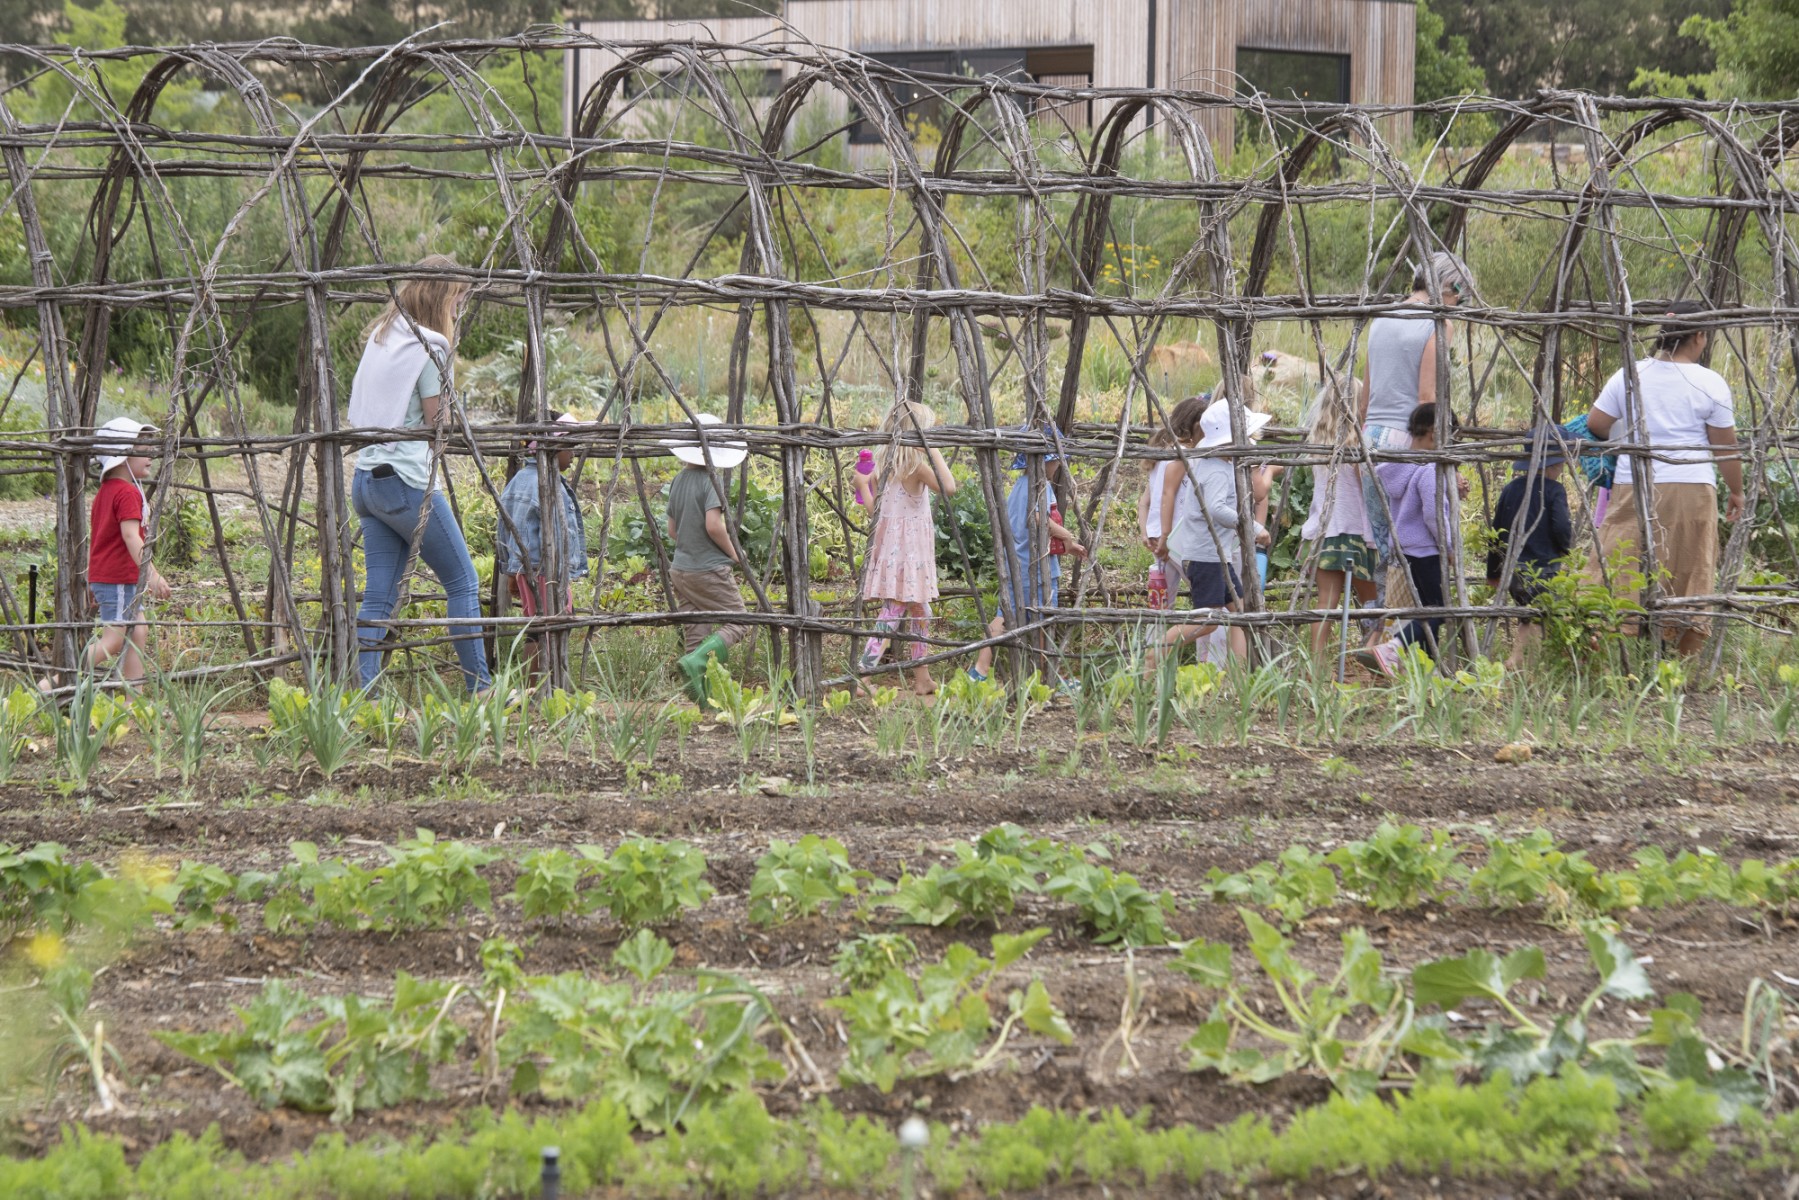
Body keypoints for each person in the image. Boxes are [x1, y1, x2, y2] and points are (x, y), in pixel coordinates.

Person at [347, 255, 490, 695]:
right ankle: (480, 687)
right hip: (405, 485)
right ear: (441, 295)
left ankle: (362, 693)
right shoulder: (429, 345)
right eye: (457, 299)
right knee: (463, 580)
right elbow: (438, 419)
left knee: (378, 597)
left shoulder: (384, 336)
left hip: (367, 481)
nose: (458, 309)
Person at [1582, 303, 1743, 656]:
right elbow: (1726, 447)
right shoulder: (1710, 382)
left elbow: (1596, 424)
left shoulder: (1630, 374)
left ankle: (1607, 650)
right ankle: (1682, 665)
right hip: (1692, 487)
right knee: (1691, 567)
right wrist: (1737, 491)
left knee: (1619, 560)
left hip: (1634, 484)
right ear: (1698, 336)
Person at [1360, 251, 1474, 564]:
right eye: (1459, 297)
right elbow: (1427, 400)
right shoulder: (1437, 323)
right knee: (1413, 547)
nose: (1456, 306)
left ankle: (1383, 611)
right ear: (1449, 286)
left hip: (1371, 438)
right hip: (1408, 440)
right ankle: (1414, 613)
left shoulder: (1382, 318)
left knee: (1382, 546)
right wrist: (1443, 457)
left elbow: (1365, 395)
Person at [1153, 397, 1273, 662]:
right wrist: (1252, 527)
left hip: (1218, 557)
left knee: (1239, 613)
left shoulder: (1220, 464)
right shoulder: (1216, 470)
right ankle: (1157, 649)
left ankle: (1237, 676)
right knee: (1209, 621)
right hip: (1206, 558)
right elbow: (1217, 509)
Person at [1356, 403, 1469, 675]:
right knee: (1437, 611)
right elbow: (1433, 514)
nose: (1451, 443)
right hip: (1427, 551)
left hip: (1405, 551)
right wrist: (1449, 546)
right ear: (1434, 433)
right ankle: (1392, 647)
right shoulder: (1429, 469)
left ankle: (1426, 669)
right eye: (1449, 436)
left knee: (1422, 610)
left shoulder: (1401, 467)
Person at [856, 400, 956, 696]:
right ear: (917, 435)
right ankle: (864, 675)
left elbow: (875, 512)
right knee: (893, 610)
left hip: (894, 550)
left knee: (919, 610)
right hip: (909, 553)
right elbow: (949, 487)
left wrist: (863, 487)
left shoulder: (886, 465)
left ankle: (922, 676)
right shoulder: (915, 466)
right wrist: (933, 447)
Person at [969, 439, 1086, 684]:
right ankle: (1045, 676)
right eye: (1055, 459)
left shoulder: (1020, 485)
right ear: (1047, 461)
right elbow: (1037, 518)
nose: (1058, 464)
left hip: (1018, 563)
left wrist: (1068, 546)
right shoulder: (1039, 485)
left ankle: (980, 669)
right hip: (1034, 567)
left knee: (1005, 615)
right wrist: (1066, 535)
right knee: (1043, 620)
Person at [664, 412, 752, 703]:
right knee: (739, 621)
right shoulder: (708, 482)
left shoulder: (678, 480)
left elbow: (672, 531)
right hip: (708, 570)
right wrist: (735, 554)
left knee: (697, 629)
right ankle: (698, 662)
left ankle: (699, 698)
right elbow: (714, 526)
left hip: (680, 569)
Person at [496, 412, 589, 684]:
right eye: (569, 446)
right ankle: (536, 687)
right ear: (552, 446)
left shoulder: (519, 482)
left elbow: (506, 531)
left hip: (531, 569)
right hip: (546, 572)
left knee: (540, 626)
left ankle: (542, 686)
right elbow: (558, 537)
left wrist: (512, 571)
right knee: (546, 627)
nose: (573, 453)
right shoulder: (545, 485)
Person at [84, 417, 171, 684]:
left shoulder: (106, 491)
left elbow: (96, 538)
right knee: (114, 640)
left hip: (114, 578)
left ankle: (134, 697)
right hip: (119, 579)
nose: (150, 454)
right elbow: (131, 536)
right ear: (121, 454)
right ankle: (59, 677)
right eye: (141, 448)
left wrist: (91, 577)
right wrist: (152, 575)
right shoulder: (126, 493)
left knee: (138, 631)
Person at [1301, 378, 1378, 662]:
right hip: (1355, 530)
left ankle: (1318, 667)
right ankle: (1373, 654)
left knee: (1327, 603)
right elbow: (1367, 487)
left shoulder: (1319, 441)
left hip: (1324, 531)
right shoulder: (1359, 442)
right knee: (1374, 602)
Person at [1485, 431, 1574, 670]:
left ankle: (1520, 659)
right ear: (1556, 463)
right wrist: (1566, 548)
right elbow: (1562, 526)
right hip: (1542, 568)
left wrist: (1492, 571)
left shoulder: (1511, 489)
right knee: (1539, 616)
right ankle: (1520, 664)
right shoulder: (1554, 491)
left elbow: (1498, 532)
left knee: (1529, 614)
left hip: (1514, 569)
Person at [1138, 396, 1208, 615]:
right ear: (1196, 426)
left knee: (1161, 602)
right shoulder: (1184, 455)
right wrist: (1167, 537)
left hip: (1158, 537)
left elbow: (1145, 501)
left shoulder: (1160, 452)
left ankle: (1157, 647)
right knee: (1206, 596)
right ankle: (1206, 647)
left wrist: (1145, 532)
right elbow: (1169, 494)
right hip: (1176, 538)